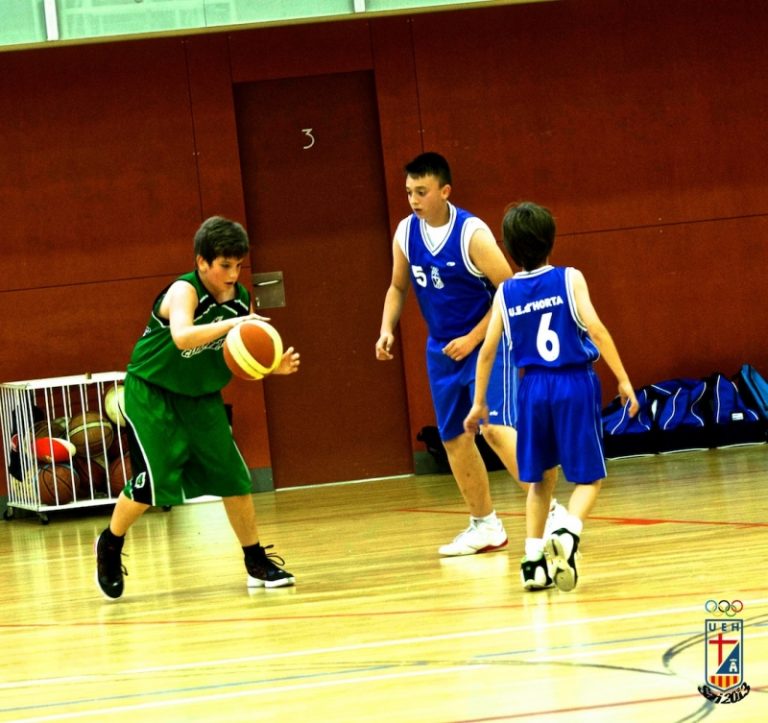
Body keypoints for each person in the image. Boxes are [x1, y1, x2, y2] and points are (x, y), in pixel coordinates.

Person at [95, 216, 300, 600]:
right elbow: (183, 337)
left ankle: (256, 561)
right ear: (202, 262)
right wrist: (235, 323)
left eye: (238, 265)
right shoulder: (183, 291)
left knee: (233, 478)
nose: (233, 274)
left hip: (201, 397)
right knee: (153, 482)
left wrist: (271, 364)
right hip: (153, 393)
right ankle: (110, 542)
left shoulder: (238, 297)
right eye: (225, 265)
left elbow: (233, 354)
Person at [375, 152, 565, 556]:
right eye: (409, 192)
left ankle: (551, 512)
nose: (413, 200)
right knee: (454, 438)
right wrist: (386, 328)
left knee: (494, 429)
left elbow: (509, 291)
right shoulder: (405, 234)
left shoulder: (471, 233)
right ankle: (485, 526)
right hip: (442, 350)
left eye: (421, 192)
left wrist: (473, 337)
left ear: (445, 191)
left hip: (489, 343)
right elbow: (397, 287)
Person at [464, 201, 638, 591]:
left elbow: (488, 351)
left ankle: (532, 564)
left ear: (509, 249)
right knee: (590, 479)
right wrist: (624, 379)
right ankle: (568, 532)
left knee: (540, 481)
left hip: (532, 389)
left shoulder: (505, 292)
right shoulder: (569, 278)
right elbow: (596, 330)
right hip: (573, 383)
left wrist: (478, 402)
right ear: (551, 241)